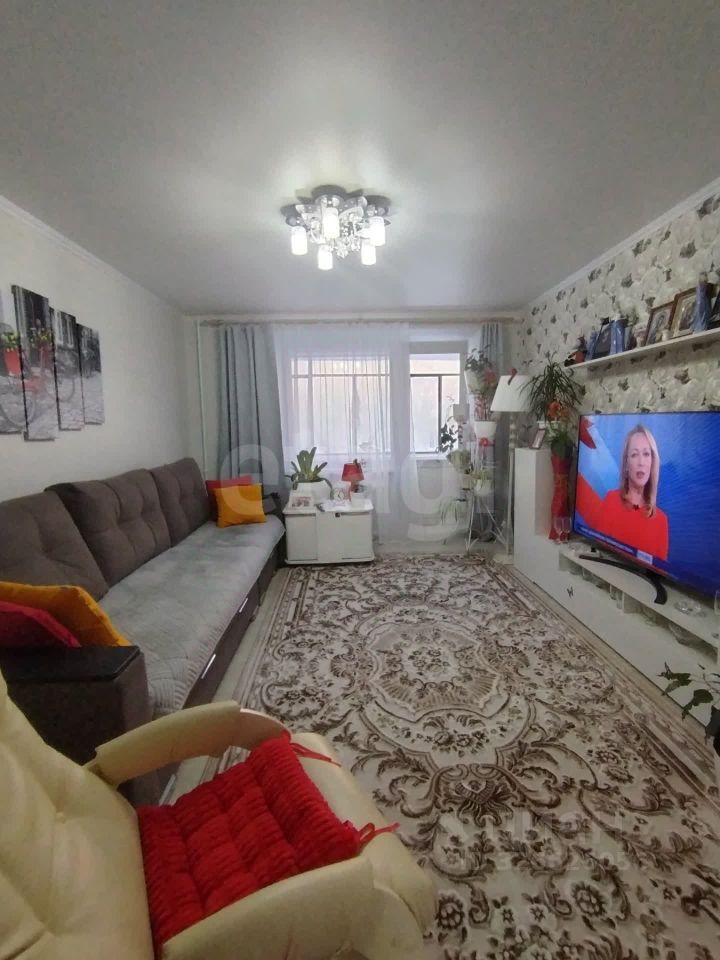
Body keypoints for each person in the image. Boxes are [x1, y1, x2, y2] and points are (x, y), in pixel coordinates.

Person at [579, 424, 669, 561]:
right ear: (626, 464)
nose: (641, 462)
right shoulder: (611, 500)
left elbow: (659, 569)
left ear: (653, 462)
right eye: (634, 455)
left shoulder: (661, 520)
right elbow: (599, 552)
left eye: (646, 454)